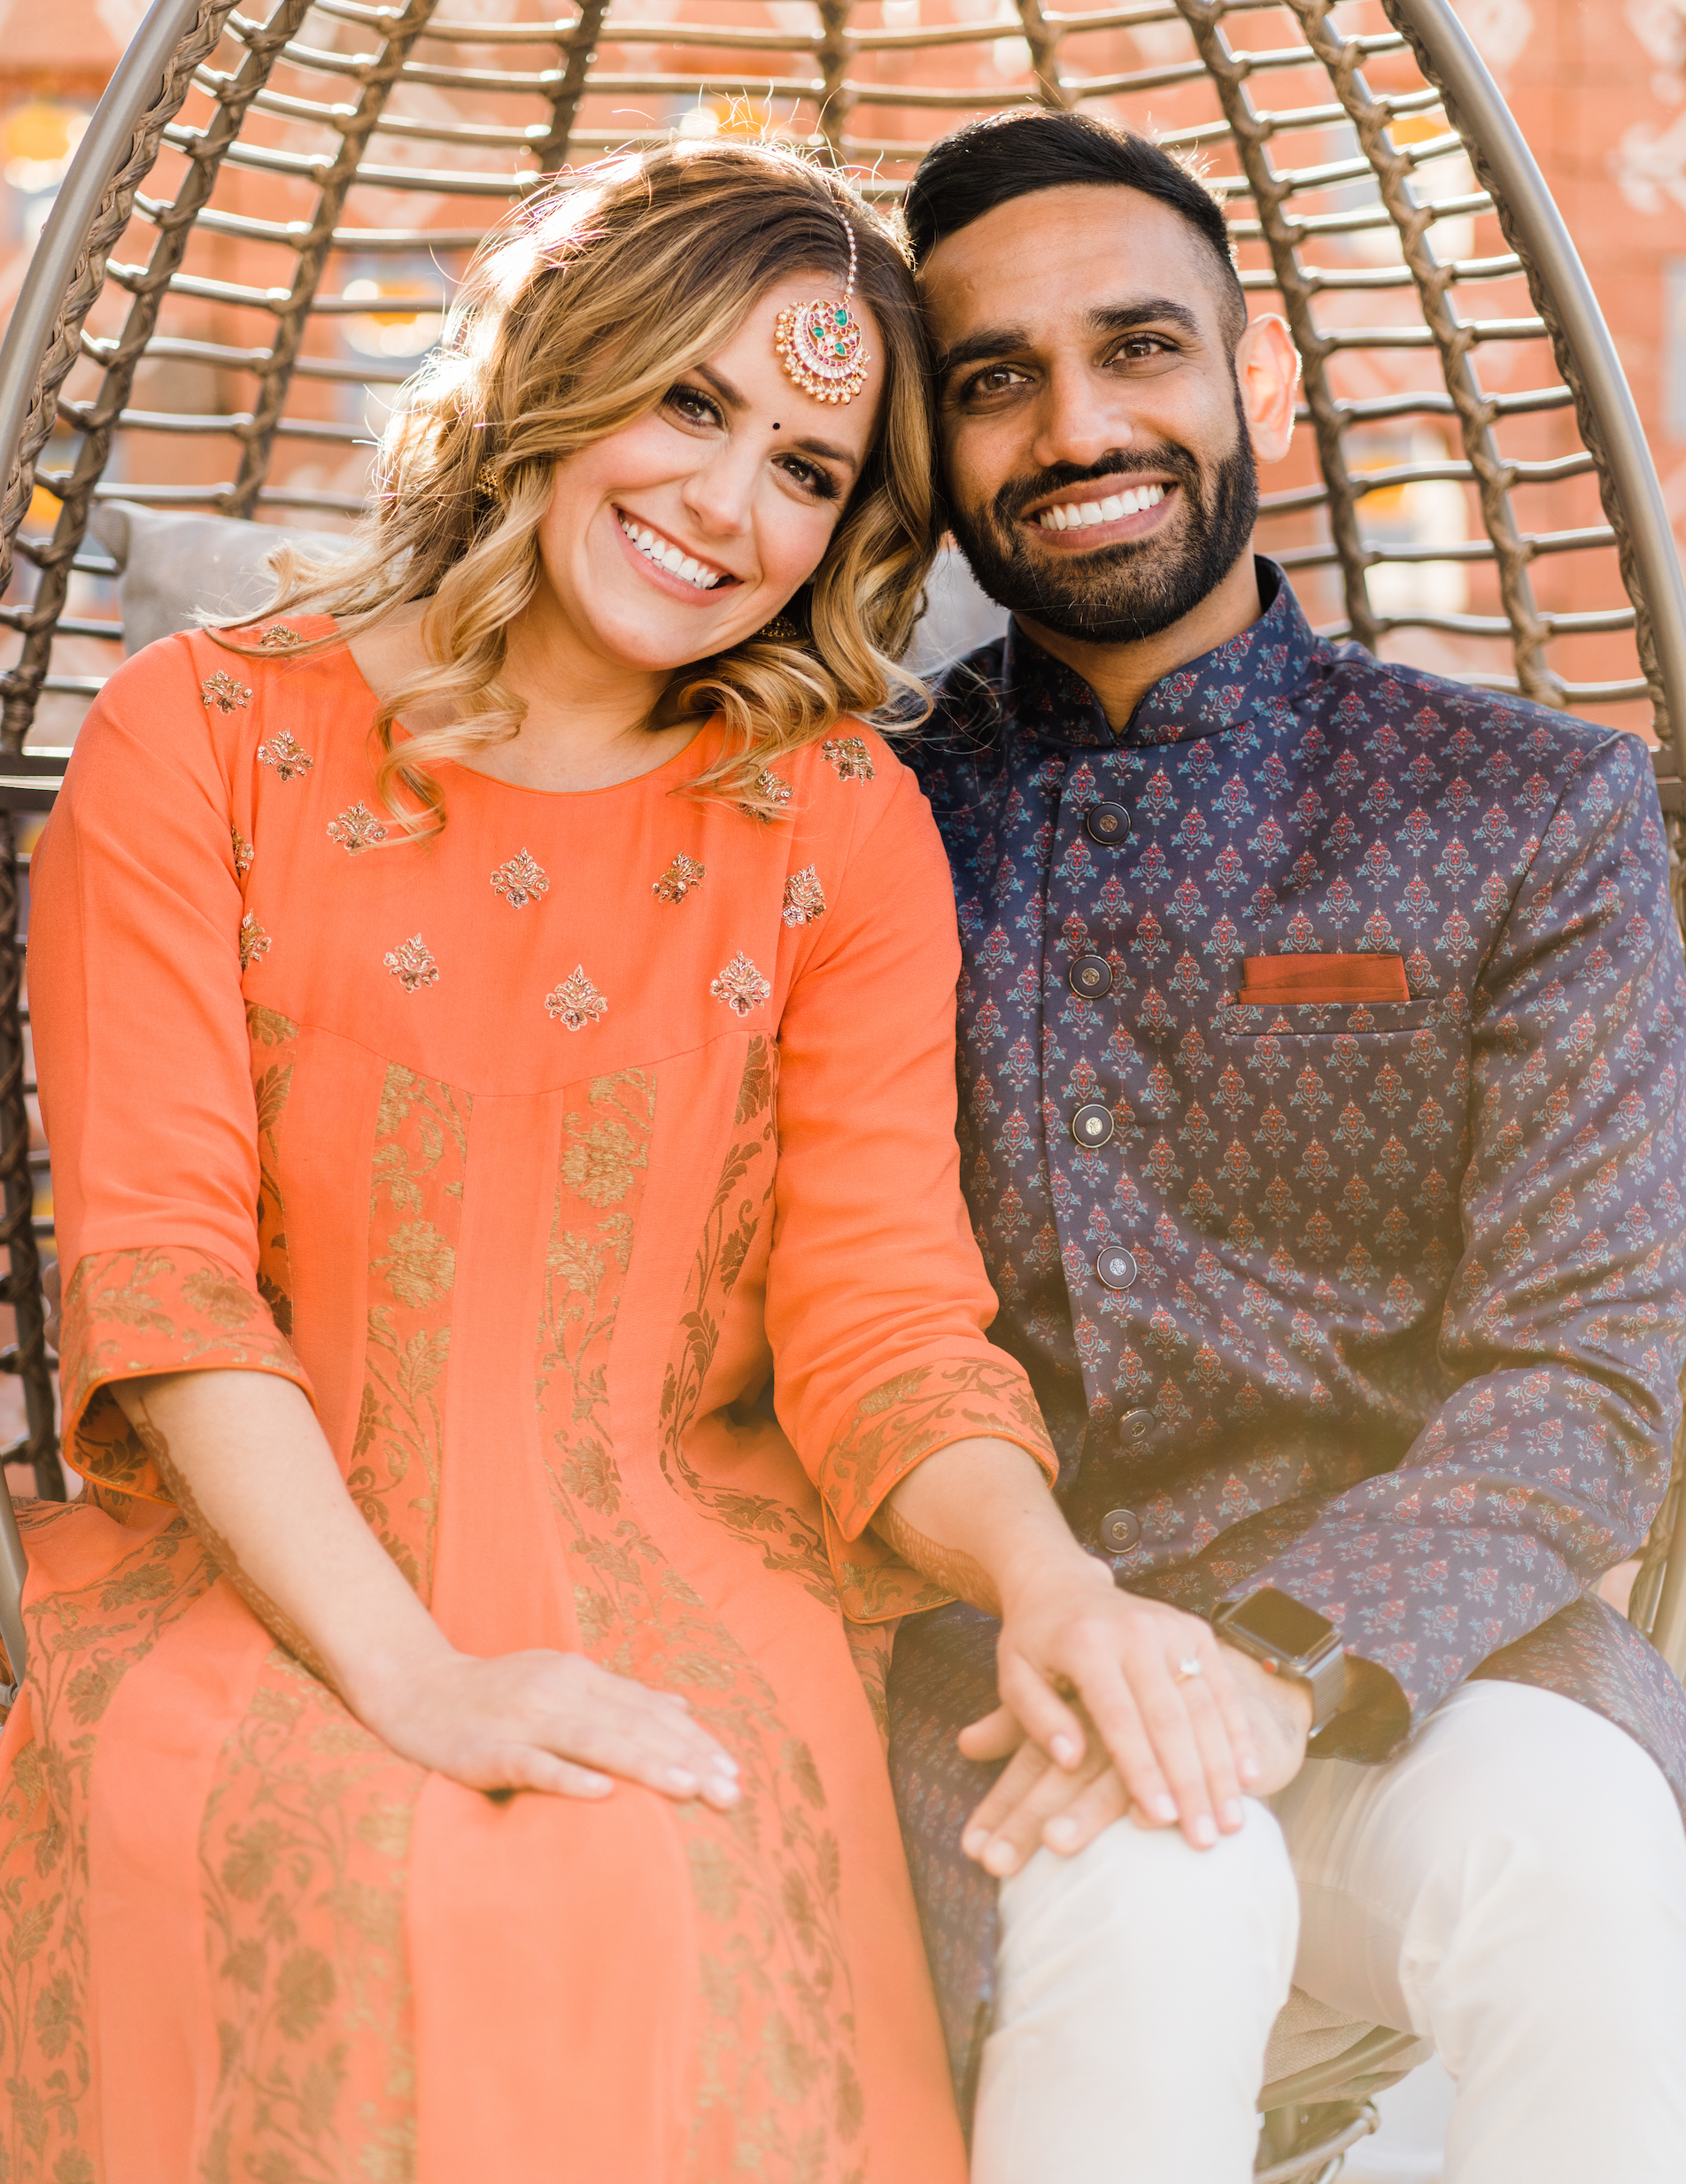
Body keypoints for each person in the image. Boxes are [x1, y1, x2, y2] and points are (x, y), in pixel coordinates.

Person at [0, 141, 1204, 2184]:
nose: (730, 508)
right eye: (692, 402)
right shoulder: (197, 735)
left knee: (637, 1880)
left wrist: (1051, 1579)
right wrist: (423, 1680)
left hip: (692, 1597)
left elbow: (885, 1317)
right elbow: (164, 1269)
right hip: (264, 1587)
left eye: (811, 470)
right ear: (562, 372)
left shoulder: (828, 823)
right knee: (377, 1872)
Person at [886, 110, 1686, 2184]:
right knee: (1152, 1896)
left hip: (1427, 1659)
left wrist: (1273, 1665)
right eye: (994, 381)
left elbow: (1588, 1366)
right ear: (932, 453)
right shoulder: (844, 832)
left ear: (1258, 382)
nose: (1076, 425)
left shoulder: (1524, 814)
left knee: (1592, 1865)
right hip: (990, 1676)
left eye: (1138, 348)